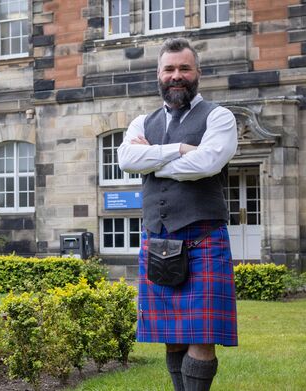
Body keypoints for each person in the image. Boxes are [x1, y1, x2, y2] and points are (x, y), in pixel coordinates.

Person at [118, 38, 238, 391]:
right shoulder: (143, 121)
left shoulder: (219, 116)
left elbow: (206, 163)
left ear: (197, 72)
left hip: (203, 238)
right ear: (159, 74)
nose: (177, 76)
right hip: (158, 239)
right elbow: (126, 160)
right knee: (172, 336)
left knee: (201, 336)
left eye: (184, 68)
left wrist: (152, 160)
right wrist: (180, 149)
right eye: (169, 69)